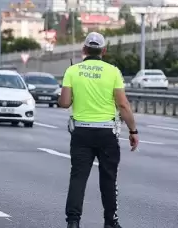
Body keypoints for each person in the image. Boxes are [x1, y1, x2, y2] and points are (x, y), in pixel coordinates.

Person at [58, 32, 139, 228]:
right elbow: (123, 105)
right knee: (109, 179)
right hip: (106, 133)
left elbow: (65, 102)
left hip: (81, 133)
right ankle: (110, 222)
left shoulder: (72, 71)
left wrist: (68, 95)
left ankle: (73, 222)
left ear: (84, 49)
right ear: (104, 51)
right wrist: (133, 131)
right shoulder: (113, 72)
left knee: (78, 178)